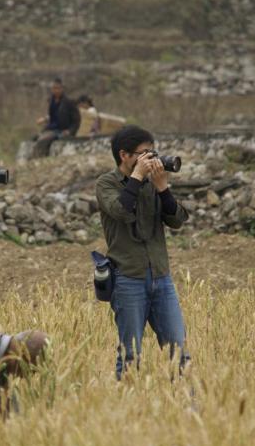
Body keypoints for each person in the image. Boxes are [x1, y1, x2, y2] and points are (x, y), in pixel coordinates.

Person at [95, 125, 191, 380]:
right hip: (127, 279)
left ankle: (188, 408)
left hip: (161, 277)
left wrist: (163, 188)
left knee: (179, 352)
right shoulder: (106, 183)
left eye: (153, 152)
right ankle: (125, 409)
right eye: (144, 153)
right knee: (130, 355)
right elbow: (121, 211)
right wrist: (136, 179)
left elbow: (177, 220)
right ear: (125, 155)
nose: (152, 158)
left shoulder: (152, 184)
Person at [32, 78, 81, 157]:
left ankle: (39, 158)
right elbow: (54, 116)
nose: (56, 91)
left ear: (62, 89)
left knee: (43, 141)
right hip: (52, 128)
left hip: (62, 130)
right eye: (54, 88)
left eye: (58, 88)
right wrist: (45, 119)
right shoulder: (52, 101)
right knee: (35, 137)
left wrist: (70, 131)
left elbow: (77, 120)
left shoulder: (68, 102)